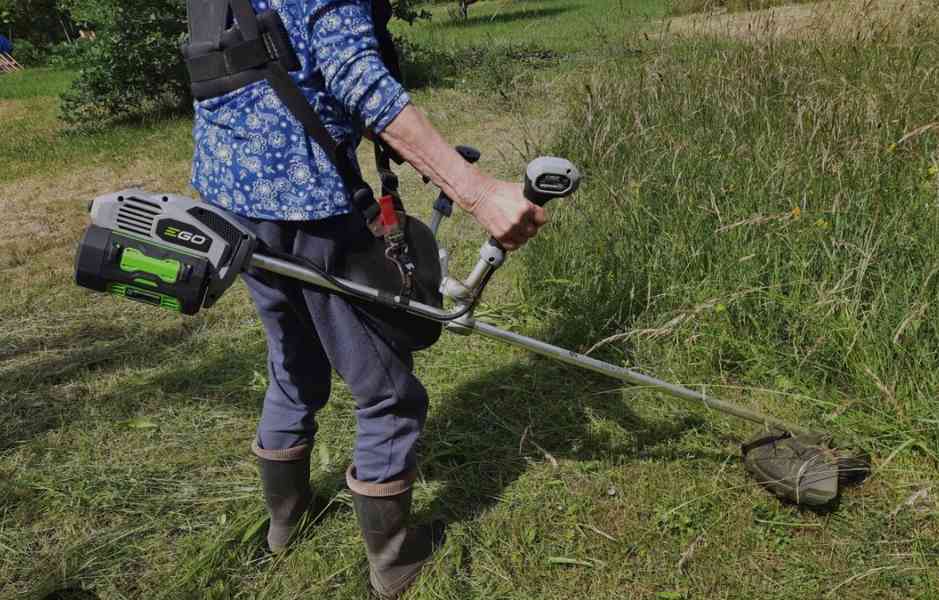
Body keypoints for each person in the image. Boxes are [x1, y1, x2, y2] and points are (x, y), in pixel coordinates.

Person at [189, 1, 546, 597]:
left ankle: (286, 520)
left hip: (231, 197)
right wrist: (478, 190)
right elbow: (354, 74)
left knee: (293, 364)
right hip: (305, 202)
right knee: (387, 392)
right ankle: (394, 558)